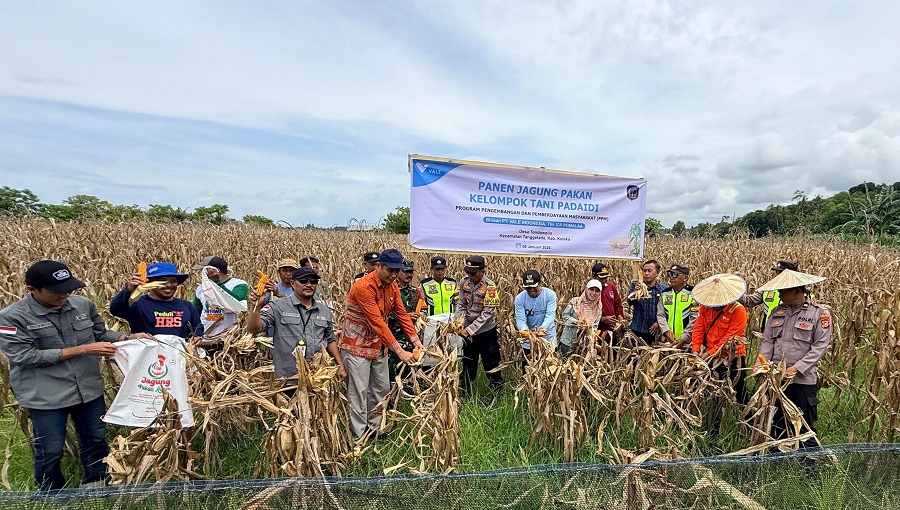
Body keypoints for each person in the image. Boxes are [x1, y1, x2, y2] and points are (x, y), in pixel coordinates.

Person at [0, 260, 153, 490]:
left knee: (95, 439)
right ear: (33, 289)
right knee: (50, 448)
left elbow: (100, 333)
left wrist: (126, 338)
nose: (65, 296)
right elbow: (25, 356)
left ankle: (96, 485)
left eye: (68, 289)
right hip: (46, 395)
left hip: (88, 388)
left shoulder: (82, 305)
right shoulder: (11, 317)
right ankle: (52, 494)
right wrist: (85, 349)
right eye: (56, 291)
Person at [339, 249, 423, 438]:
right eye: (390, 270)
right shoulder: (363, 287)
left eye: (396, 271)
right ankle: (359, 435)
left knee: (381, 388)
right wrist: (400, 351)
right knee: (358, 391)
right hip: (357, 347)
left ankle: (375, 428)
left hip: (379, 346)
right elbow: (377, 322)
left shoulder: (391, 286)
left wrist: (416, 341)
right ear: (378, 266)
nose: (394, 275)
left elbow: (401, 314)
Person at [755, 269, 830, 449]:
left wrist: (795, 368)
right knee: (774, 423)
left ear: (796, 290)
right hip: (775, 379)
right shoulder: (777, 312)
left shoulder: (819, 313)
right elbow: (768, 340)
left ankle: (810, 467)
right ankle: (776, 461)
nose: (779, 295)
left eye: (783, 291)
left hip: (801, 380)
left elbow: (819, 347)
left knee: (802, 425)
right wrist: (761, 362)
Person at [246, 267, 346, 381]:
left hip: (317, 378)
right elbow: (254, 328)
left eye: (313, 281)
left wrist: (340, 366)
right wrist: (256, 307)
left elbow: (330, 340)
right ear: (293, 283)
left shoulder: (324, 310)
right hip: (286, 378)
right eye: (303, 281)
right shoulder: (277, 306)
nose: (309, 285)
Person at [690, 273, 749, 404]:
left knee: (739, 391)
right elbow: (698, 328)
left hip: (733, 356)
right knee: (713, 390)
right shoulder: (705, 307)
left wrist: (706, 354)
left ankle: (744, 419)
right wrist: (695, 350)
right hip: (712, 355)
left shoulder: (738, 310)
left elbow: (730, 338)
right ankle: (716, 419)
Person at [109, 261, 203, 340]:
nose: (169, 285)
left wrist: (197, 337)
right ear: (150, 282)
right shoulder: (137, 304)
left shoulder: (187, 306)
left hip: (178, 358)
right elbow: (115, 309)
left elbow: (197, 328)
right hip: (147, 357)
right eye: (162, 281)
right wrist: (129, 289)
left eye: (173, 281)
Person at [454, 255, 502, 395]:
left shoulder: (490, 287)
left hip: (486, 332)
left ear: (482, 271)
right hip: (467, 331)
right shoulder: (464, 283)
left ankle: (496, 393)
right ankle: (465, 393)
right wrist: (459, 322)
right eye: (467, 272)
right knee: (468, 362)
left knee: (491, 363)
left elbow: (487, 314)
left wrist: (470, 330)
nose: (469, 276)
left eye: (473, 273)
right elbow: (462, 304)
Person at [191, 256, 249, 337]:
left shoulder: (239, 284)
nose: (201, 273)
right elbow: (196, 311)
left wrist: (217, 282)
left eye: (204, 270)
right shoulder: (201, 288)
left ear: (216, 270)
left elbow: (234, 301)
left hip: (230, 338)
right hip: (206, 337)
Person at [387, 259, 423, 382]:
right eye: (406, 272)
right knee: (393, 371)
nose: (409, 275)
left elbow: (422, 308)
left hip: (411, 338)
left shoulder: (415, 292)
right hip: (395, 336)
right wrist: (405, 317)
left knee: (411, 370)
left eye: (411, 272)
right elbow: (383, 315)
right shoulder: (390, 289)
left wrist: (421, 317)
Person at [739, 260, 801, 328]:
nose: (778, 275)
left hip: (791, 333)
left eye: (781, 273)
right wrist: (733, 293)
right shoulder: (768, 289)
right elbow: (749, 301)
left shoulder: (802, 293)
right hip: (769, 333)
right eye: (777, 272)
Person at [514, 270, 558, 355]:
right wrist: (526, 332)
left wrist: (541, 329)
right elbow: (521, 320)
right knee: (529, 366)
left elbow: (550, 315)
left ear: (540, 283)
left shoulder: (550, 295)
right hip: (529, 342)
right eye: (528, 287)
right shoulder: (519, 299)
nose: (531, 289)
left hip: (548, 340)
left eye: (534, 286)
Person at [656, 264, 698, 350]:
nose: (671, 277)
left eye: (675, 275)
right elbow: (661, 315)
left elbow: (695, 317)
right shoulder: (665, 293)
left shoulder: (693, 293)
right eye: (670, 274)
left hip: (688, 343)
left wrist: (684, 338)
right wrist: (666, 331)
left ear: (685, 278)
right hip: (668, 342)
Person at [560, 279, 605, 357]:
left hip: (585, 345)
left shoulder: (598, 308)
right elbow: (565, 315)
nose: (594, 293)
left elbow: (595, 327)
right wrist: (576, 321)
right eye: (591, 289)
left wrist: (590, 335)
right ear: (586, 289)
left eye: (597, 291)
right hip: (569, 341)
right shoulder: (575, 301)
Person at [627, 260, 666, 343]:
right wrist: (635, 292)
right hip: (638, 330)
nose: (646, 273)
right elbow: (629, 302)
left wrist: (658, 323)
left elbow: (668, 310)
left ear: (657, 273)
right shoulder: (636, 285)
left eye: (649, 271)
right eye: (644, 271)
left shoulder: (663, 289)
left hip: (656, 332)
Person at [592, 263, 624, 334]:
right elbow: (584, 312)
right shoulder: (588, 290)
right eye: (601, 278)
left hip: (612, 331)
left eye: (606, 278)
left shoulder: (611, 286)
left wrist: (619, 320)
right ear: (593, 276)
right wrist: (602, 319)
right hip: (595, 331)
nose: (604, 280)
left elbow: (618, 304)